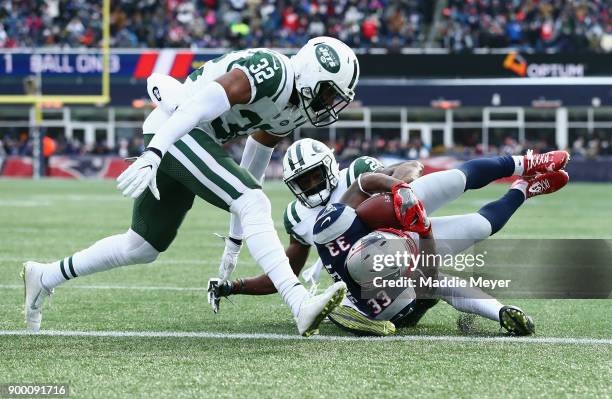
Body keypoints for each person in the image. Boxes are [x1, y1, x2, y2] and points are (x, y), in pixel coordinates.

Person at [22, 36, 361, 336]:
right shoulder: (272, 71)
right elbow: (196, 108)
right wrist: (155, 152)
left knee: (141, 246)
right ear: (312, 73)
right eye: (329, 92)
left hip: (189, 137)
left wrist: (235, 238)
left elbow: (254, 160)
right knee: (253, 201)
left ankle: (45, 275)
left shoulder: (296, 108)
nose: (329, 105)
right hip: (177, 125)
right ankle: (299, 302)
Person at [311, 149, 570, 335]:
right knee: (481, 226)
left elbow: (362, 183)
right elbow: (438, 281)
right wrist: (423, 232)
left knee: (455, 179)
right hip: (417, 247)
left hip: (383, 215)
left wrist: (399, 187)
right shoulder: (385, 302)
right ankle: (523, 189)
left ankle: (526, 162)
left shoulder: (333, 230)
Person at [207, 138, 423, 336]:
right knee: (337, 300)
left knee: (433, 284)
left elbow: (412, 166)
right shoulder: (297, 217)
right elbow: (284, 274)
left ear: (329, 167)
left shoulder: (355, 175)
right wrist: (233, 286)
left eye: (316, 176)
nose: (311, 185)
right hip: (370, 290)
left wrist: (399, 189)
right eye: (303, 181)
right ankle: (371, 318)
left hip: (407, 258)